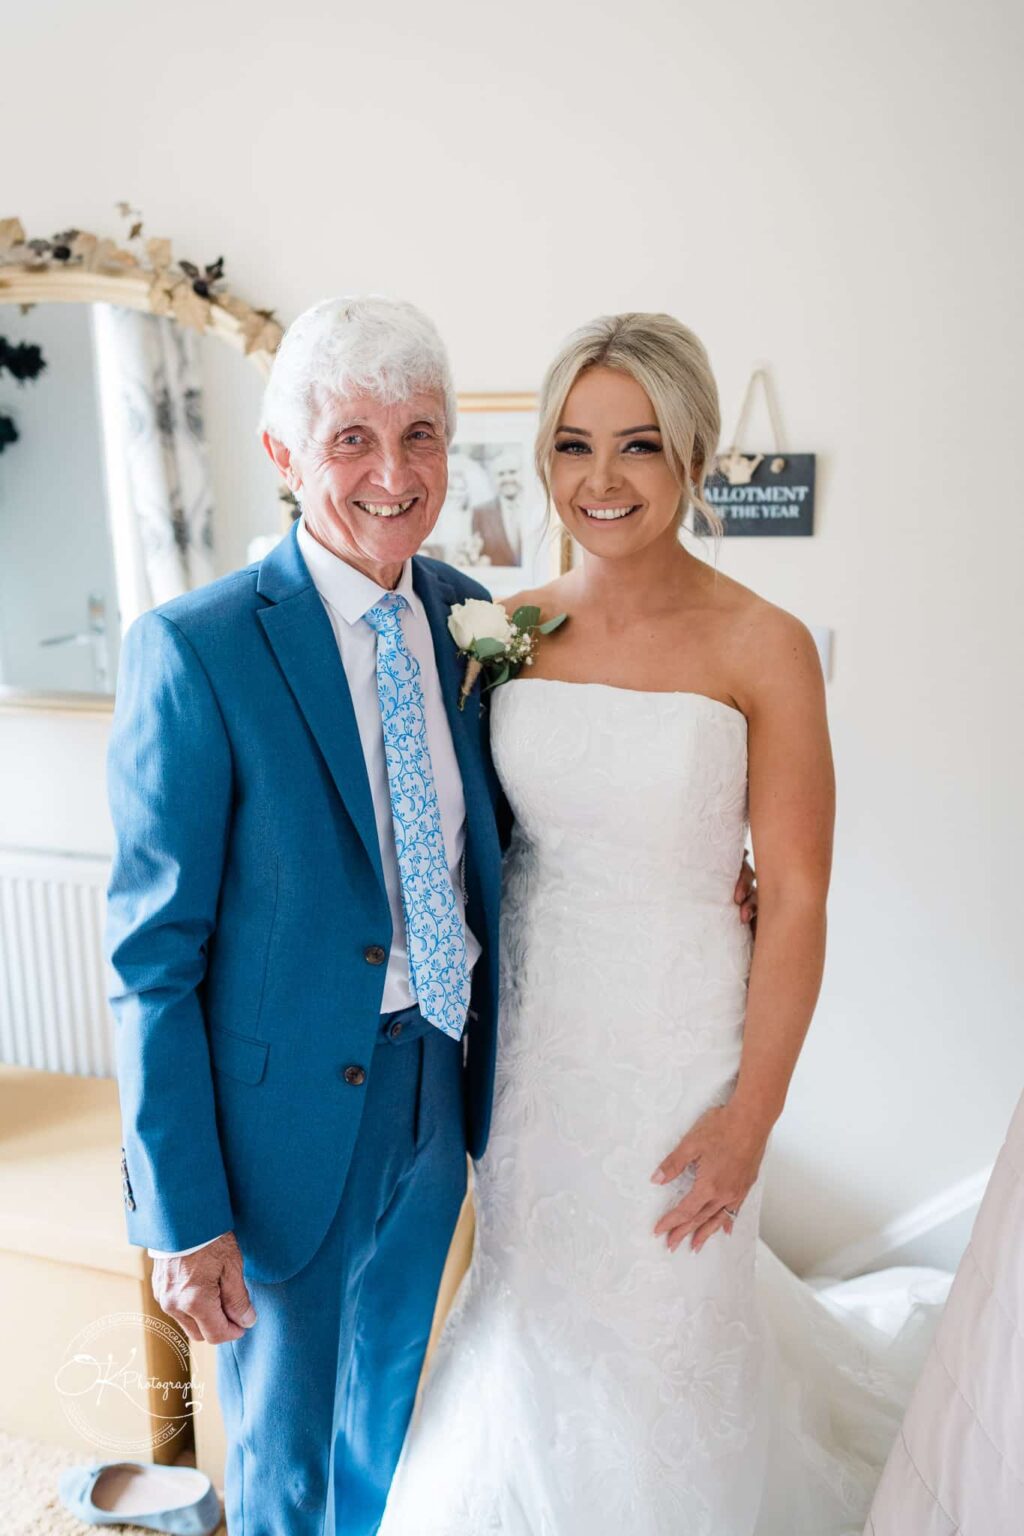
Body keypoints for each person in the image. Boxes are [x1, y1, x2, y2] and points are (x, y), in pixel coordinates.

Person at [104, 290, 761, 1535]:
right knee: (285, 1466)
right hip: (279, 1125)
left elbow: (518, 830)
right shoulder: (195, 652)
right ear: (283, 454)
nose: (393, 473)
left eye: (422, 434)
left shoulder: (477, 619)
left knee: (393, 1432)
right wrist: (180, 1219)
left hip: (447, 1090)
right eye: (352, 438)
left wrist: (717, 867)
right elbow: (151, 963)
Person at [378, 313, 936, 1535]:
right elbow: (469, 846)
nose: (602, 479)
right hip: (535, 1051)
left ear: (691, 454)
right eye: (574, 445)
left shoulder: (765, 646)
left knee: (673, 1316)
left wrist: (750, 1119)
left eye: (638, 447)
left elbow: (793, 896)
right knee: (537, 1306)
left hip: (682, 1034)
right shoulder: (500, 634)